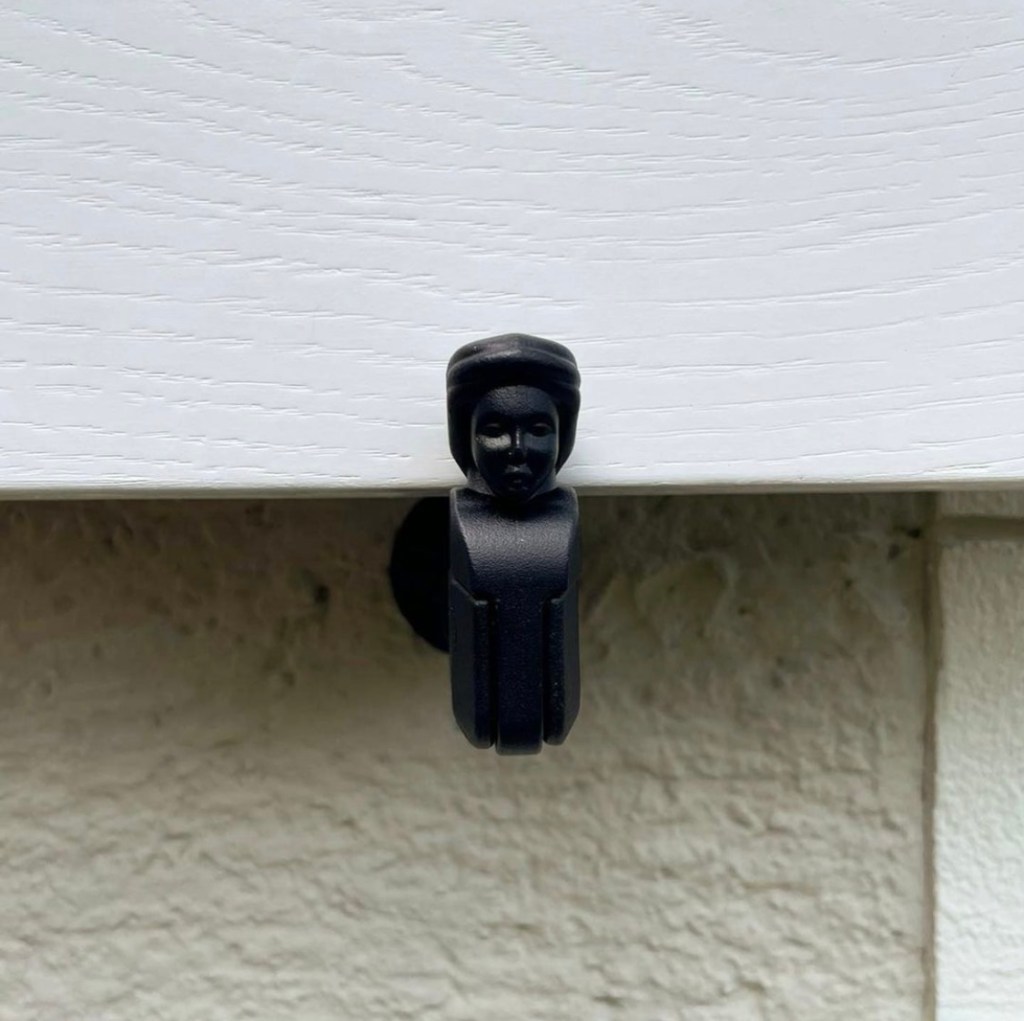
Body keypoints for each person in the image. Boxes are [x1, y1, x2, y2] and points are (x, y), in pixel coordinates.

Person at [446, 334, 581, 753]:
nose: (517, 450)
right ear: (465, 438)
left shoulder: (559, 520)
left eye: (538, 430)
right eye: (494, 431)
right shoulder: (469, 521)